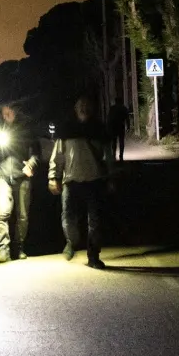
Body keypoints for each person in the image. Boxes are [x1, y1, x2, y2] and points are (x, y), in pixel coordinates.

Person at [48, 96, 109, 268]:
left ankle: (93, 255)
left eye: (87, 105)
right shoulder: (66, 130)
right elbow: (58, 156)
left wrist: (111, 177)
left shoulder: (98, 129)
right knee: (68, 217)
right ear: (75, 109)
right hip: (71, 180)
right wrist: (53, 177)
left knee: (95, 221)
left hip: (94, 180)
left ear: (92, 108)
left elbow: (108, 156)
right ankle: (72, 242)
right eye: (80, 105)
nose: (84, 108)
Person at [0, 104, 39, 263]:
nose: (7, 114)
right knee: (2, 211)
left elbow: (36, 153)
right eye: (4, 111)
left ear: (16, 112)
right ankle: (3, 246)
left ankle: (19, 246)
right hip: (3, 176)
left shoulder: (26, 130)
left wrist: (30, 164)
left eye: (10, 111)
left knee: (22, 215)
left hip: (22, 176)